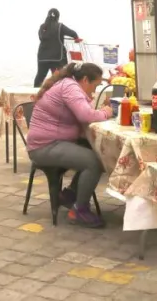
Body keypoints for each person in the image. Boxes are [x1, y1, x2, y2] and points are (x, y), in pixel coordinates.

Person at [26, 62, 112, 228]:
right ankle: (79, 210)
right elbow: (85, 115)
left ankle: (70, 195)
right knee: (93, 162)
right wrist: (105, 112)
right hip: (45, 146)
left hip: (52, 143)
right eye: (95, 86)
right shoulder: (70, 87)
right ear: (85, 80)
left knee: (97, 152)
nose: (94, 91)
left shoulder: (67, 84)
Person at [34, 8, 79, 87]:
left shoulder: (42, 27)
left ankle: (35, 90)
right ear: (58, 17)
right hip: (57, 58)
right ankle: (58, 92)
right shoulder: (60, 26)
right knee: (59, 77)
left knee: (40, 76)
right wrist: (76, 38)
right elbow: (73, 33)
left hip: (42, 57)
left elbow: (41, 37)